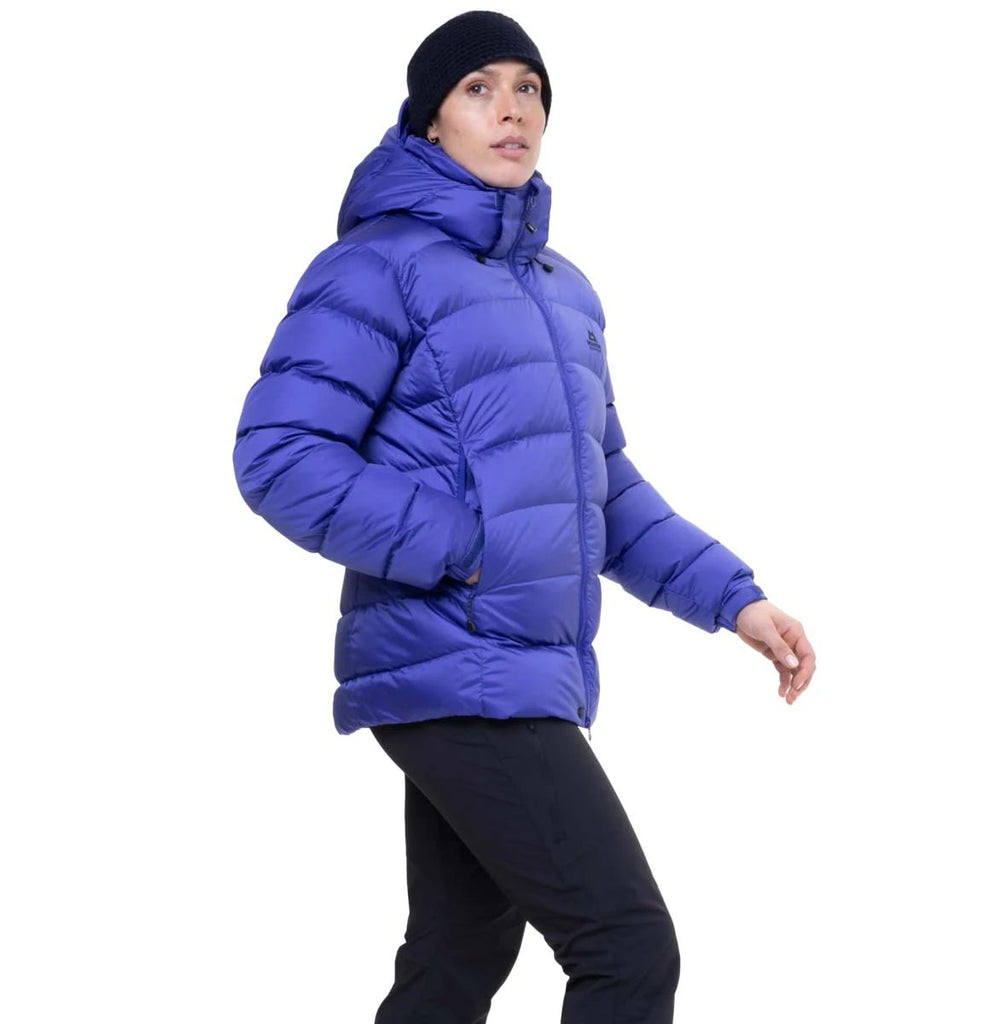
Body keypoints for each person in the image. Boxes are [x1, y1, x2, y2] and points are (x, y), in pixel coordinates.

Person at [232, 10, 817, 1022]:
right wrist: (467, 546)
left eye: (529, 89)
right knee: (627, 948)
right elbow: (279, 453)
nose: (511, 109)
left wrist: (735, 599)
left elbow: (604, 490)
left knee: (454, 963)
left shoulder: (563, 292)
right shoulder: (378, 266)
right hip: (455, 663)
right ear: (429, 122)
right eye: (479, 88)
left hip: (520, 670)